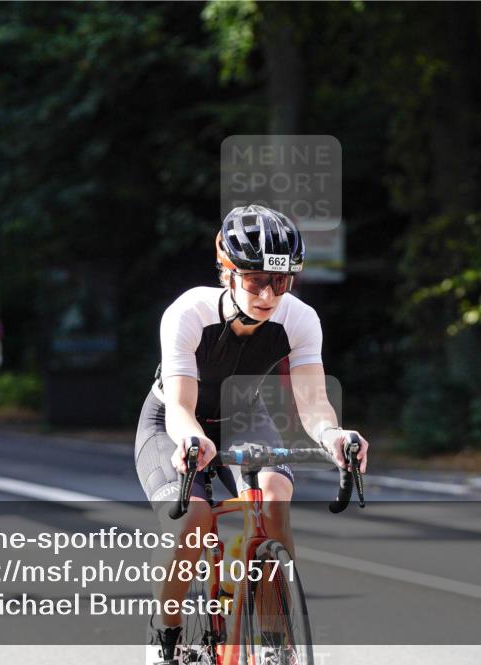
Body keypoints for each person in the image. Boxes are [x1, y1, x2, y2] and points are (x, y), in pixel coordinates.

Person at [135, 204, 369, 664]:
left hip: (243, 415)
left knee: (275, 496)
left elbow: (314, 404)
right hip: (174, 422)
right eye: (255, 280)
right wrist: (192, 441)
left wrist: (335, 436)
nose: (267, 294)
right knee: (193, 521)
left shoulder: (300, 320)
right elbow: (182, 407)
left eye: (280, 282)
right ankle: (167, 633)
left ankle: (273, 641)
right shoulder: (187, 313)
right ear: (227, 271)